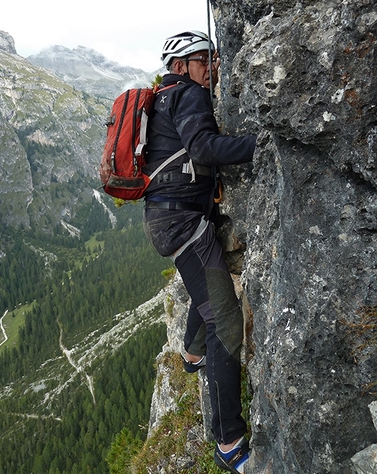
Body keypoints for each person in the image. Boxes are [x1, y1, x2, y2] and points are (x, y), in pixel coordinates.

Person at [142, 31, 256, 473]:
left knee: (205, 282)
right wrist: (260, 143)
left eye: (211, 58)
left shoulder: (165, 98)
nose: (210, 66)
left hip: (173, 219)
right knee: (224, 321)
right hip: (185, 223)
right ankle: (229, 442)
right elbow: (204, 148)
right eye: (200, 59)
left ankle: (190, 354)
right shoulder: (189, 95)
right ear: (179, 66)